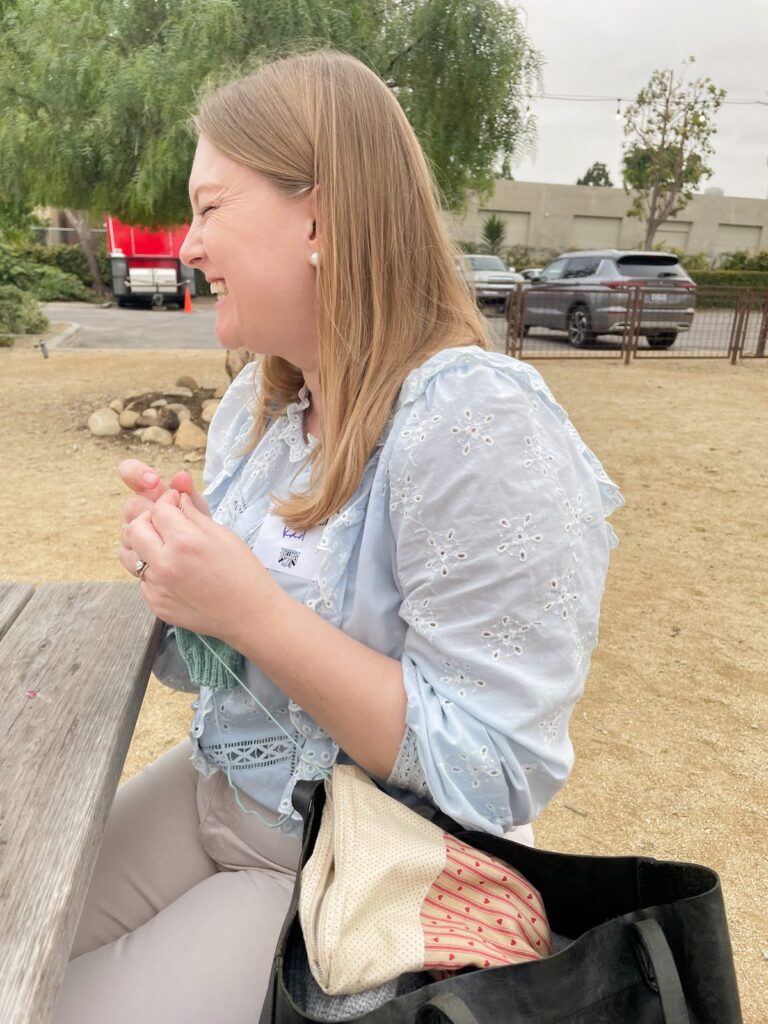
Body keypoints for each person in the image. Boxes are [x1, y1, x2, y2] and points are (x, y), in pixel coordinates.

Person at [54, 49, 623, 1024]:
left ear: (316, 215)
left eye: (211, 207)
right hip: (222, 791)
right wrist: (182, 572)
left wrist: (252, 607)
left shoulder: (474, 420)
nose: (187, 244)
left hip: (359, 854)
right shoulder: (262, 406)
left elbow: (494, 770)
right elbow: (213, 671)